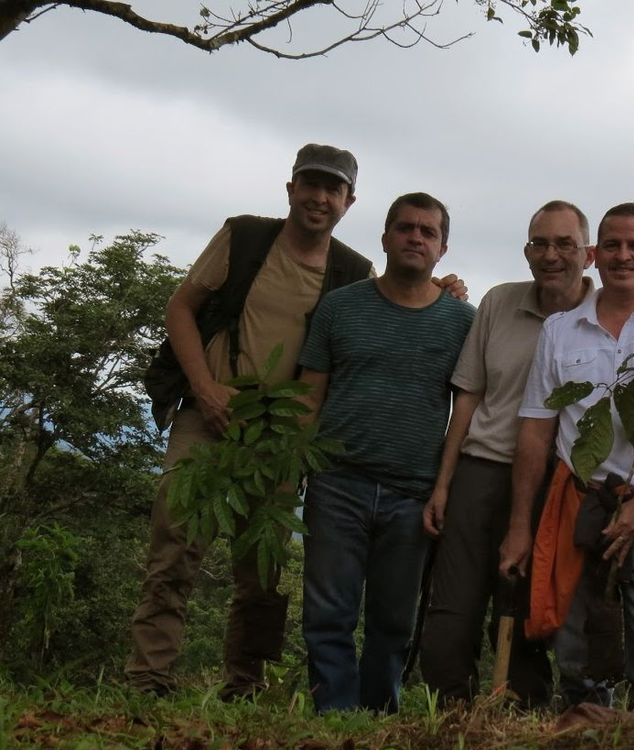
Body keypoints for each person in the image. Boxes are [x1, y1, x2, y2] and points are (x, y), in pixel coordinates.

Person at [127, 146, 464, 699]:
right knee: (175, 548)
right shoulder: (246, 237)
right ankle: (149, 678)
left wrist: (447, 289)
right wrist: (205, 389)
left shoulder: (351, 271)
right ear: (291, 188)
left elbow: (391, 306)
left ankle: (245, 682)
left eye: (333, 190)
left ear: (349, 202)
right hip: (207, 418)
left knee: (260, 566)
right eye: (311, 184)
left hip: (281, 438)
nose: (320, 198)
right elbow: (180, 308)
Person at [500, 203, 634, 705]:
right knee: (576, 642)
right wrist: (518, 527)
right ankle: (583, 722)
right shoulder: (561, 329)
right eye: (613, 246)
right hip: (580, 503)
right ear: (595, 256)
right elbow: (536, 431)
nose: (624, 256)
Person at [298, 192, 476, 714]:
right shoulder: (340, 307)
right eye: (405, 228)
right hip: (337, 481)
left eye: (428, 231)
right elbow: (310, 395)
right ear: (385, 238)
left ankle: (378, 716)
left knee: (394, 619)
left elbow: (465, 411)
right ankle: (332, 716)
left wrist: (443, 488)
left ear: (442, 249)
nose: (415, 238)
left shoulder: (461, 322)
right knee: (328, 611)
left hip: (412, 491)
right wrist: (299, 470)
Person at [419, 200, 596, 708]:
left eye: (564, 244)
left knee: (529, 612)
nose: (551, 255)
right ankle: (448, 714)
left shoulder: (604, 316)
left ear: (587, 254)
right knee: (453, 607)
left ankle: (522, 715)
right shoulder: (499, 303)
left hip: (555, 480)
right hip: (483, 468)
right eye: (540, 243)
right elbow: (468, 396)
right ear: (526, 251)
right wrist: (444, 483)